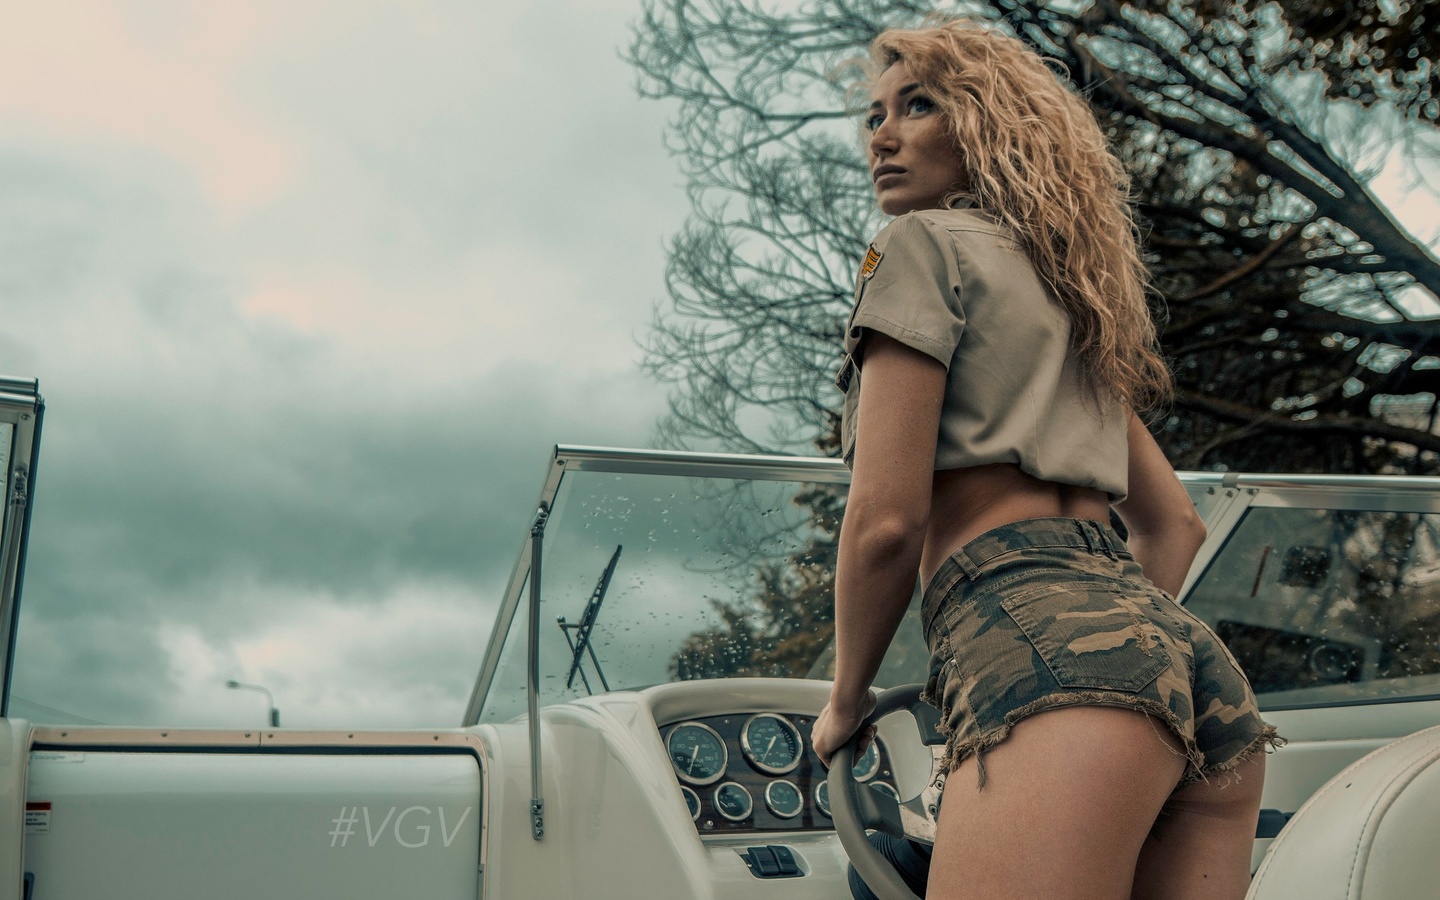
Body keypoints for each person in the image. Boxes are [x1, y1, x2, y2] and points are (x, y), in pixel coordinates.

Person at [808, 21, 1281, 900]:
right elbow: (1172, 526)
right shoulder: (1073, 298)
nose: (882, 135)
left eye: (918, 105)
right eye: (874, 114)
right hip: (1192, 669)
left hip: (1036, 641)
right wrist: (1117, 650)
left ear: (986, 123)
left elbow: (885, 523)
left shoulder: (915, 246)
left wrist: (845, 702)